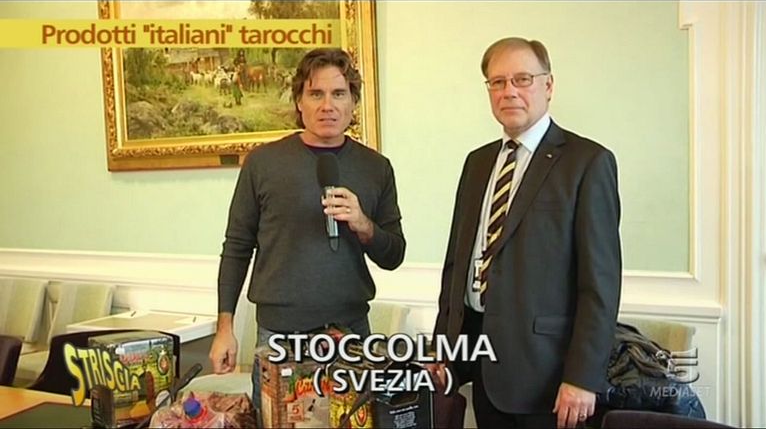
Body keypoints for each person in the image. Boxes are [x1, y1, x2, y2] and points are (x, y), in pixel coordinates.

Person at [431, 37, 622, 429]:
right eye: (497, 82)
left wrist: (583, 378)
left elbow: (600, 285)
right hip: (482, 365)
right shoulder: (477, 162)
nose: (509, 91)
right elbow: (457, 264)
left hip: (550, 377)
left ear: (548, 85)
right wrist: (443, 345)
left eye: (522, 79)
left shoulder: (587, 162)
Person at [209, 48, 406, 419]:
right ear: (299, 101)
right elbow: (236, 247)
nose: (327, 105)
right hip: (279, 337)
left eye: (339, 94)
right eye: (316, 94)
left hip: (350, 335)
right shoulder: (263, 163)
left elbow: (394, 254)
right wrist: (225, 328)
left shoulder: (376, 167)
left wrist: (363, 224)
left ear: (353, 102)